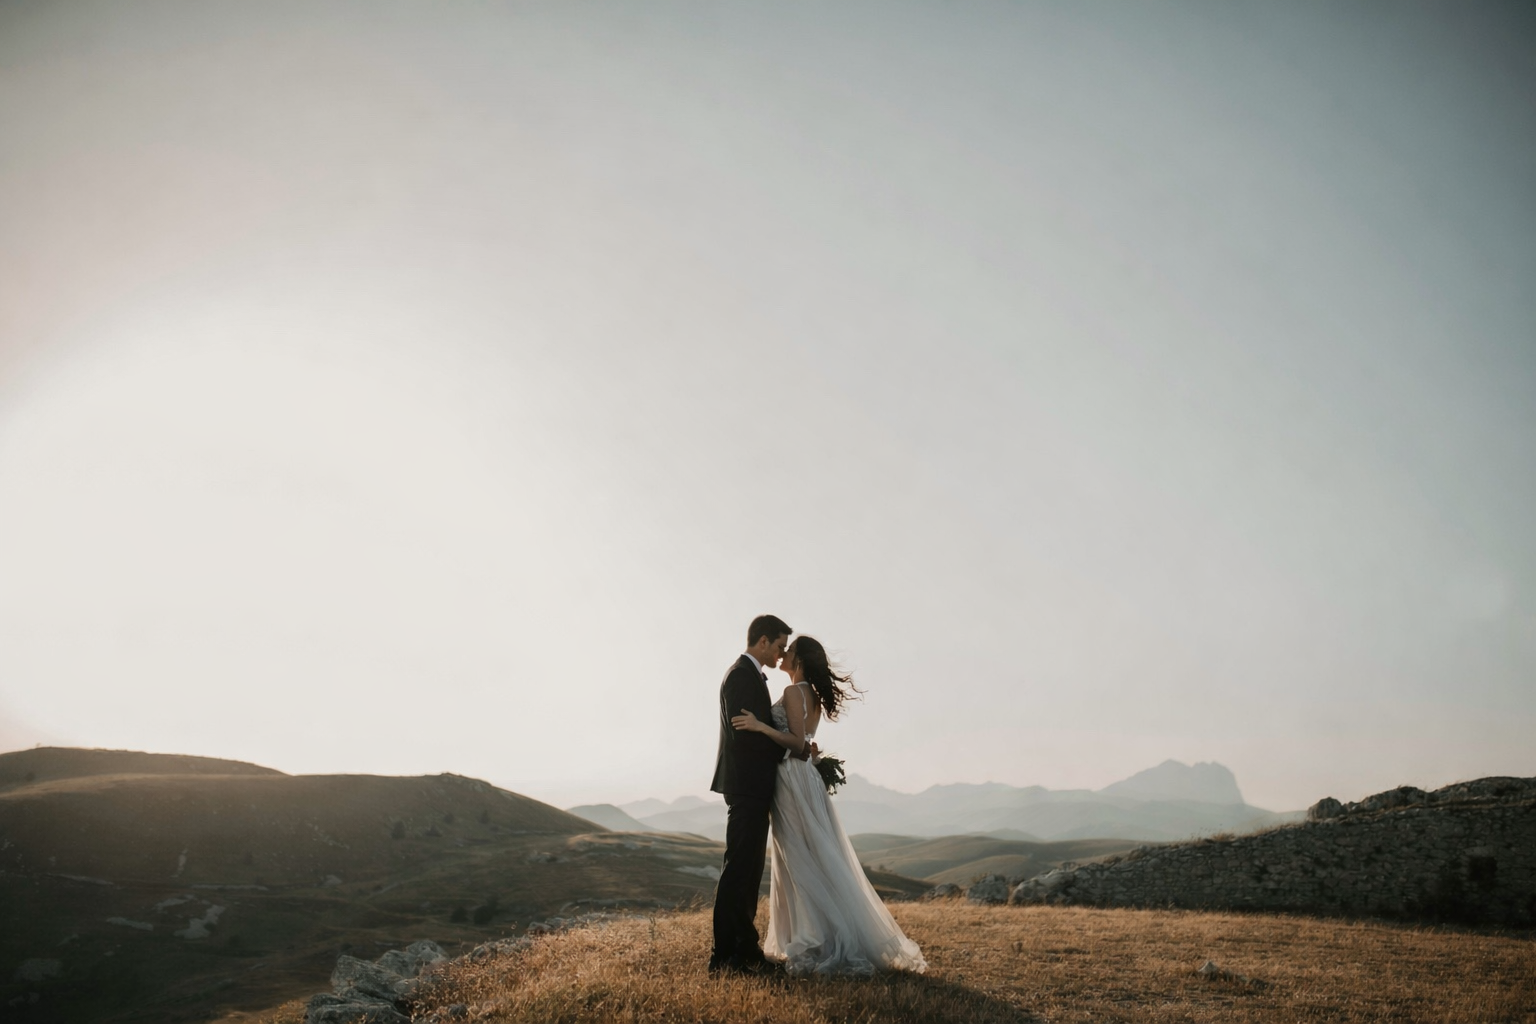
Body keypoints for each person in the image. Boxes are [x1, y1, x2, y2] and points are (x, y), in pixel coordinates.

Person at [731, 635, 927, 976]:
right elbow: (806, 742)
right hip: (805, 775)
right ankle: (817, 933)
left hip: (792, 778)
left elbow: (794, 743)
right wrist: (811, 751)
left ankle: (813, 938)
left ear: (801, 660)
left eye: (789, 651)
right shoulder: (815, 697)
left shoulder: (795, 692)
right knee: (811, 852)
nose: (784, 654)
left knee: (798, 855)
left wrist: (760, 726)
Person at [708, 613, 799, 976]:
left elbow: (756, 732)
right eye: (779, 646)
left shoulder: (748, 675)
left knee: (747, 872)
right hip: (746, 785)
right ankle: (727, 956)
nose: (781, 655)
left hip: (752, 786)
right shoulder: (740, 676)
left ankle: (742, 951)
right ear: (762, 641)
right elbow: (746, 738)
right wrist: (791, 752)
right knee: (739, 871)